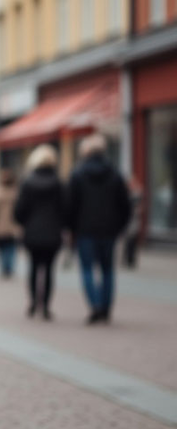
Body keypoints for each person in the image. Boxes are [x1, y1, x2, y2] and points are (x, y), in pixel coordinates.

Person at [67, 134, 131, 324]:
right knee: (107, 270)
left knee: (87, 269)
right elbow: (125, 206)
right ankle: (105, 307)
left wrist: (72, 228)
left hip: (85, 231)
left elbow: (70, 206)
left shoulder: (77, 174)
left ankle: (94, 305)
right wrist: (118, 226)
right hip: (108, 231)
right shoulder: (115, 174)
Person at [13, 145, 66, 320]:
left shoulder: (27, 183)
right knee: (49, 270)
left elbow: (19, 211)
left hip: (32, 233)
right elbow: (65, 209)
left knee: (34, 268)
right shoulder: (58, 183)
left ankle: (34, 302)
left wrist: (24, 222)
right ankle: (46, 306)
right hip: (52, 233)